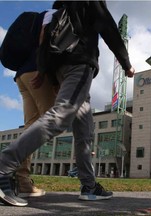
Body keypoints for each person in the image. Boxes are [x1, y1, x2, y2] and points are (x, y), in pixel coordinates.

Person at [0, 0, 135, 207]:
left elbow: (47, 37)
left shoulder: (59, 5)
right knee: (62, 115)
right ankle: (3, 165)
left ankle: (89, 186)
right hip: (80, 63)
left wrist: (46, 72)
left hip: (60, 68)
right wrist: (126, 62)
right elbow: (107, 26)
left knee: (84, 129)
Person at [13, 9, 58, 198]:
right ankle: (7, 166)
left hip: (22, 75)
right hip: (37, 74)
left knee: (31, 126)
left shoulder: (41, 14)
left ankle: (22, 181)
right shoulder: (57, 13)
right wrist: (42, 70)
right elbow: (44, 38)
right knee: (55, 122)